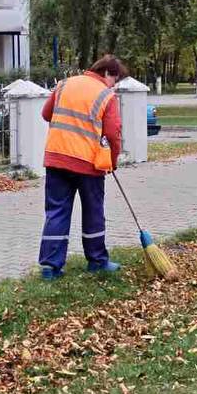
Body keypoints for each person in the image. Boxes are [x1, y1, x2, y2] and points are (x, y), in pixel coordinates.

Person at [37, 55, 126, 280]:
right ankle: (97, 261)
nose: (113, 85)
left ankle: (50, 267)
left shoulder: (64, 84)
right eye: (114, 80)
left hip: (57, 158)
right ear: (107, 73)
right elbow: (113, 133)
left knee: (56, 212)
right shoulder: (106, 95)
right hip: (88, 163)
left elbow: (46, 114)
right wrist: (112, 161)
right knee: (93, 211)